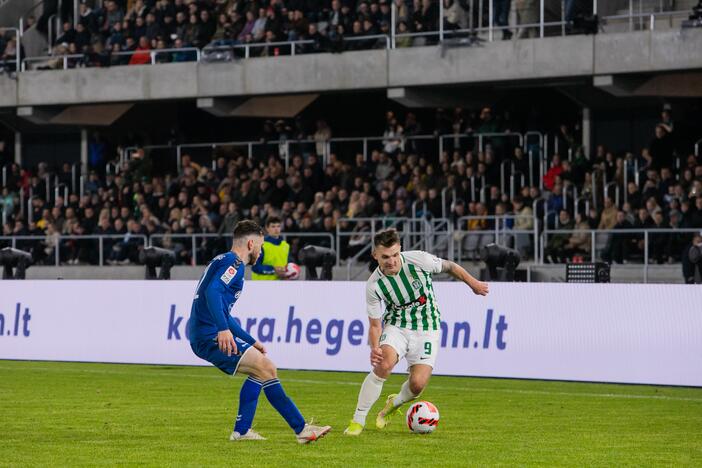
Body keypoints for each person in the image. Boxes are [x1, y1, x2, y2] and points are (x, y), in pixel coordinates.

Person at [187, 220, 331, 443]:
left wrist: (250, 340)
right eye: (261, 246)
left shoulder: (222, 261)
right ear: (251, 243)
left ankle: (242, 431)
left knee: (259, 370)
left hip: (206, 332)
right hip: (210, 334)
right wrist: (223, 330)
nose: (261, 251)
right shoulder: (233, 264)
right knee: (267, 367)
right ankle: (301, 429)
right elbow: (213, 293)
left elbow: (223, 312)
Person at [344, 228, 489, 436]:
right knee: (384, 363)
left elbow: (450, 266)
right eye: (385, 257)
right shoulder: (373, 285)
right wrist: (374, 347)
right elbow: (375, 325)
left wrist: (473, 283)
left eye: (395, 255)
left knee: (418, 384)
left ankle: (394, 403)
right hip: (397, 327)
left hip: (428, 328)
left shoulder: (419, 260)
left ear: (400, 250)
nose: (391, 261)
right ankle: (357, 420)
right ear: (375, 255)